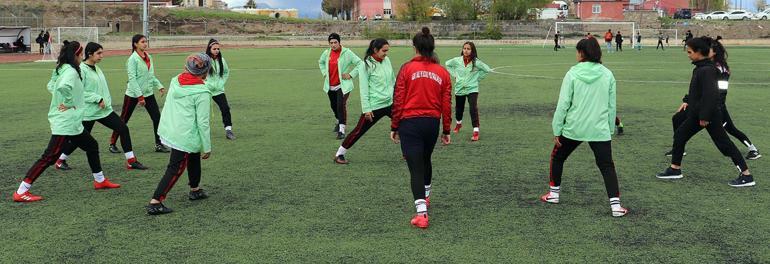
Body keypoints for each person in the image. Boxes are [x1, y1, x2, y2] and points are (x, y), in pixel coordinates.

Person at [13, 41, 121, 202]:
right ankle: (21, 191)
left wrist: (60, 98)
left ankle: (99, 181)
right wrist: (69, 101)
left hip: (73, 122)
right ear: (76, 55)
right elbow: (63, 87)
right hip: (65, 122)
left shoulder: (62, 67)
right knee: (49, 157)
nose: (81, 56)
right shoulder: (70, 71)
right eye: (80, 53)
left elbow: (51, 85)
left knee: (92, 145)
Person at [541, 37, 628, 217]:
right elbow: (612, 106)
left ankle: (554, 194)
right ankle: (616, 207)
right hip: (599, 129)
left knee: (557, 157)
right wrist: (609, 129)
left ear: (582, 53)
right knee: (607, 166)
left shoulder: (572, 73)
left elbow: (563, 104)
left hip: (574, 127)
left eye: (577, 51)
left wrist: (557, 129)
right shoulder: (608, 74)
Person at [656, 36, 755, 188]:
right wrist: (688, 102)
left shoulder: (708, 70)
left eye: (689, 52)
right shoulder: (701, 68)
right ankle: (675, 169)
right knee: (680, 135)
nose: (687, 54)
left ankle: (746, 175)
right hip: (697, 114)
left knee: (724, 144)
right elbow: (697, 92)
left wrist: (704, 116)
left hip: (708, 115)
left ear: (699, 52)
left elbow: (711, 95)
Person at [390, 27, 452, 229]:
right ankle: (426, 197)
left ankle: (422, 214)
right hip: (432, 124)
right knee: (426, 160)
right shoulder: (442, 72)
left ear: (414, 47)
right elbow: (446, 103)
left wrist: (395, 124)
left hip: (410, 123)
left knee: (415, 167)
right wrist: (446, 130)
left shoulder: (406, 69)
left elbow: (398, 99)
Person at [54, 42, 148, 171]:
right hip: (88, 112)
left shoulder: (96, 68)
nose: (101, 56)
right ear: (89, 54)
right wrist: (97, 98)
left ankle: (131, 161)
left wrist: (105, 101)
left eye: (102, 53)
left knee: (123, 129)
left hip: (103, 110)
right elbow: (79, 91)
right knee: (78, 140)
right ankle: (60, 160)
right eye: (98, 53)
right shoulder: (81, 70)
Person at [666, 39, 761, 160]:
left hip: (715, 106)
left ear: (714, 52)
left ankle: (753, 149)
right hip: (702, 104)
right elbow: (698, 88)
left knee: (729, 129)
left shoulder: (719, 68)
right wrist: (687, 100)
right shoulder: (705, 66)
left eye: (708, 49)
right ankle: (679, 149)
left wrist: (715, 108)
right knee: (677, 118)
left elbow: (719, 91)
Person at [145, 53, 213, 215]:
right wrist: (207, 146)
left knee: (194, 156)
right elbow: (203, 122)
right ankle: (155, 201)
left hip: (172, 128)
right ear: (205, 72)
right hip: (185, 135)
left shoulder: (176, 80)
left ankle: (195, 189)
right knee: (175, 168)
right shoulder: (202, 92)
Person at [334, 38, 394, 164]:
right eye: (384, 51)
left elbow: (393, 81)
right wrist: (366, 109)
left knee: (406, 125)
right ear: (375, 50)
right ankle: (340, 153)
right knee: (359, 131)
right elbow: (364, 89)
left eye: (387, 50)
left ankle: (408, 153)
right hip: (374, 107)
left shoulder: (386, 60)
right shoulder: (364, 65)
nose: (386, 53)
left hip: (391, 103)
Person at [111, 34, 169, 153]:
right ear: (135, 44)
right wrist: (139, 97)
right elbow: (132, 79)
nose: (145, 43)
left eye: (146, 41)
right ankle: (112, 143)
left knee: (157, 118)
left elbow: (150, 75)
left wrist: (159, 86)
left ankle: (159, 144)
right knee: (123, 120)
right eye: (142, 42)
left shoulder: (149, 56)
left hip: (148, 93)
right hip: (133, 95)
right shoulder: (132, 59)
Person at [318, 33, 362, 139]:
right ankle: (338, 120)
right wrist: (324, 73)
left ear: (339, 42)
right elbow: (321, 62)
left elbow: (360, 63)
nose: (333, 45)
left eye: (335, 42)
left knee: (340, 105)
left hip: (343, 85)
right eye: (331, 43)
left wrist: (351, 74)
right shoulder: (326, 53)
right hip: (330, 85)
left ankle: (342, 130)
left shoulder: (347, 53)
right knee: (333, 105)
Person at [445, 41, 491, 141]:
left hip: (472, 88)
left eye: (468, 49)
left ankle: (476, 131)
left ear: (472, 50)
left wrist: (477, 78)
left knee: (473, 109)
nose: (466, 50)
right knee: (459, 110)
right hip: (460, 88)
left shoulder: (476, 62)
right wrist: (455, 75)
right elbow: (447, 64)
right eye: (464, 48)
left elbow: (487, 69)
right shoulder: (457, 60)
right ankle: (458, 124)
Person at [204, 38, 235, 140]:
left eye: (218, 49)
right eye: (214, 49)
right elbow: (199, 73)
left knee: (225, 108)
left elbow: (226, 72)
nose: (217, 50)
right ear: (209, 49)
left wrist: (221, 82)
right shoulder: (204, 60)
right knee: (202, 111)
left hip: (218, 90)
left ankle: (228, 130)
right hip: (206, 90)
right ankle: (200, 131)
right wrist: (206, 83)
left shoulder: (221, 60)